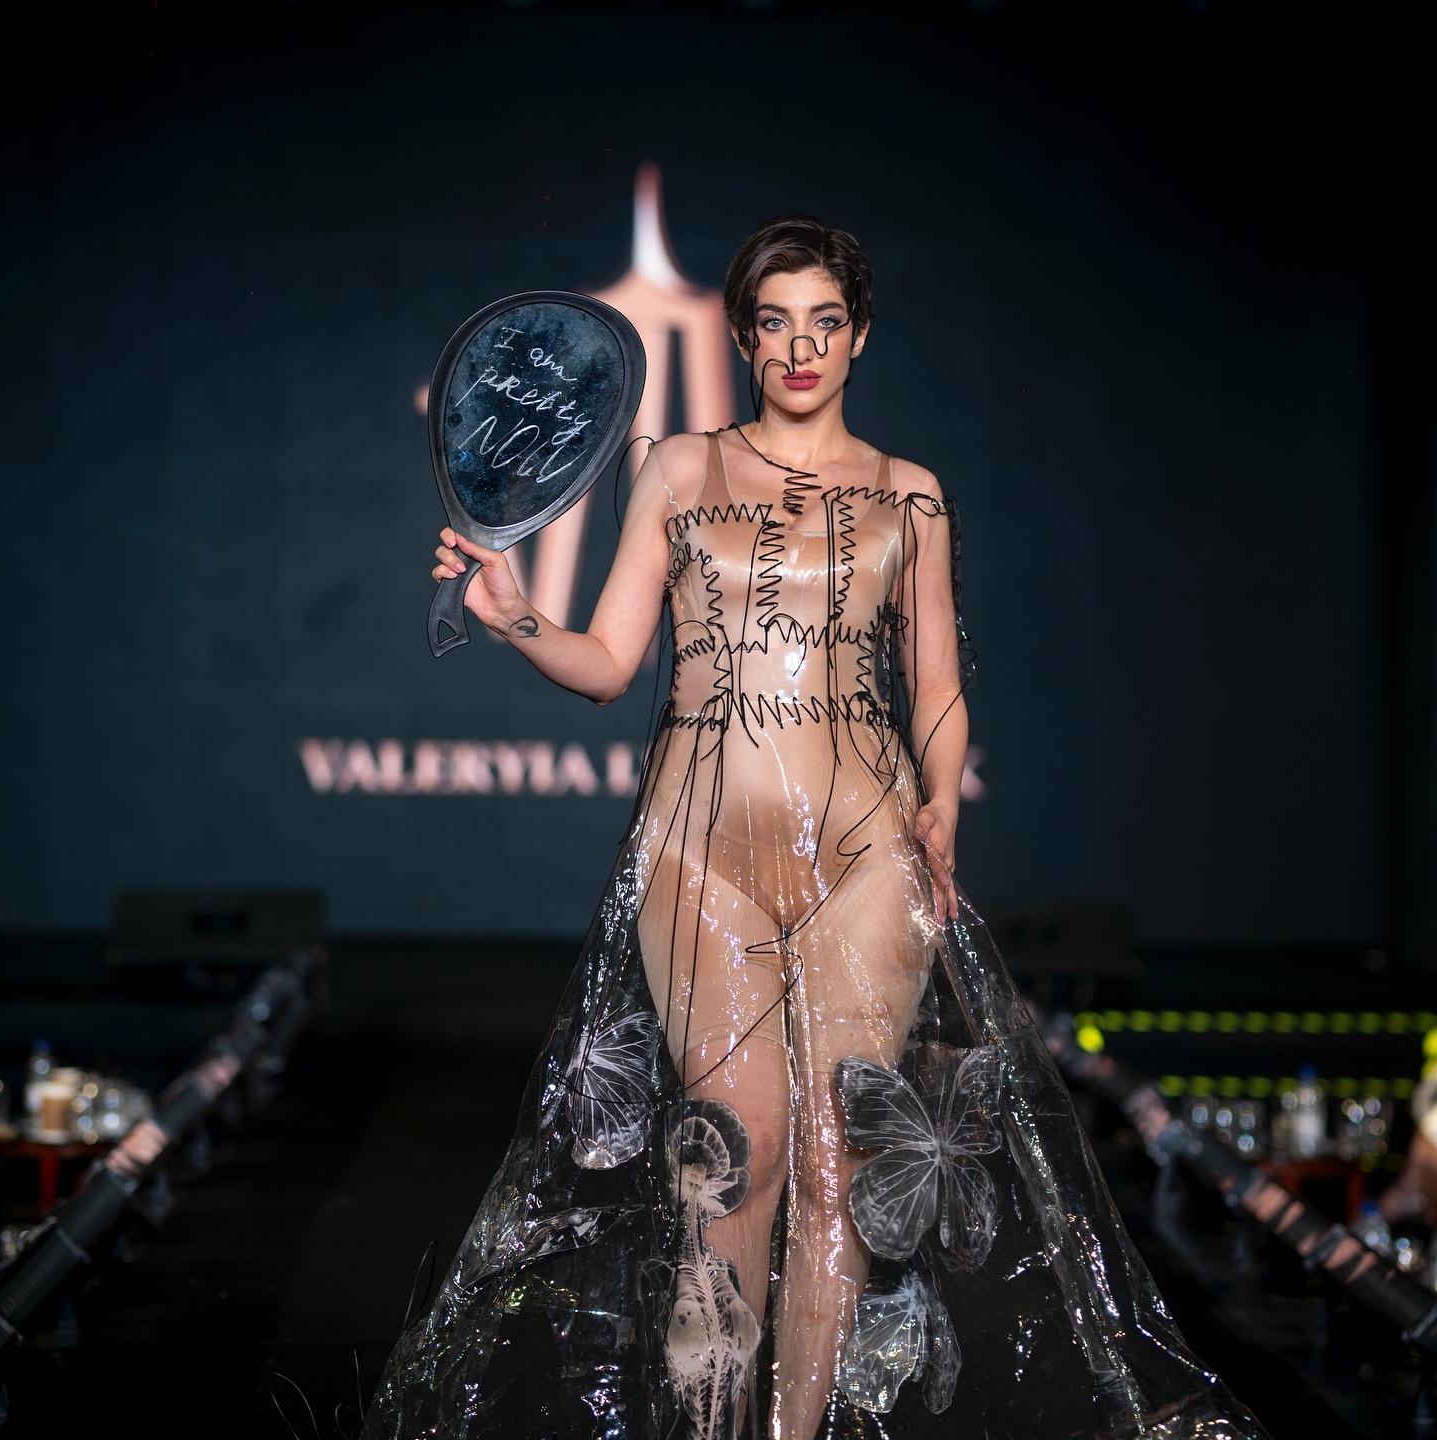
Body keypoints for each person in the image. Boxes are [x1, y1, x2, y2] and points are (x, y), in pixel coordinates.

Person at [360, 217, 1271, 1440]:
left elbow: (935, 683)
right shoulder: (678, 470)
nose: (801, 347)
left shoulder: (910, 493)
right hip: (699, 850)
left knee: (842, 1168)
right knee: (730, 1163)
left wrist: (941, 811)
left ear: (859, 337)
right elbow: (609, 665)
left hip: (868, 851)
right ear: (744, 338)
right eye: (776, 322)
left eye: (825, 322)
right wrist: (518, 615)